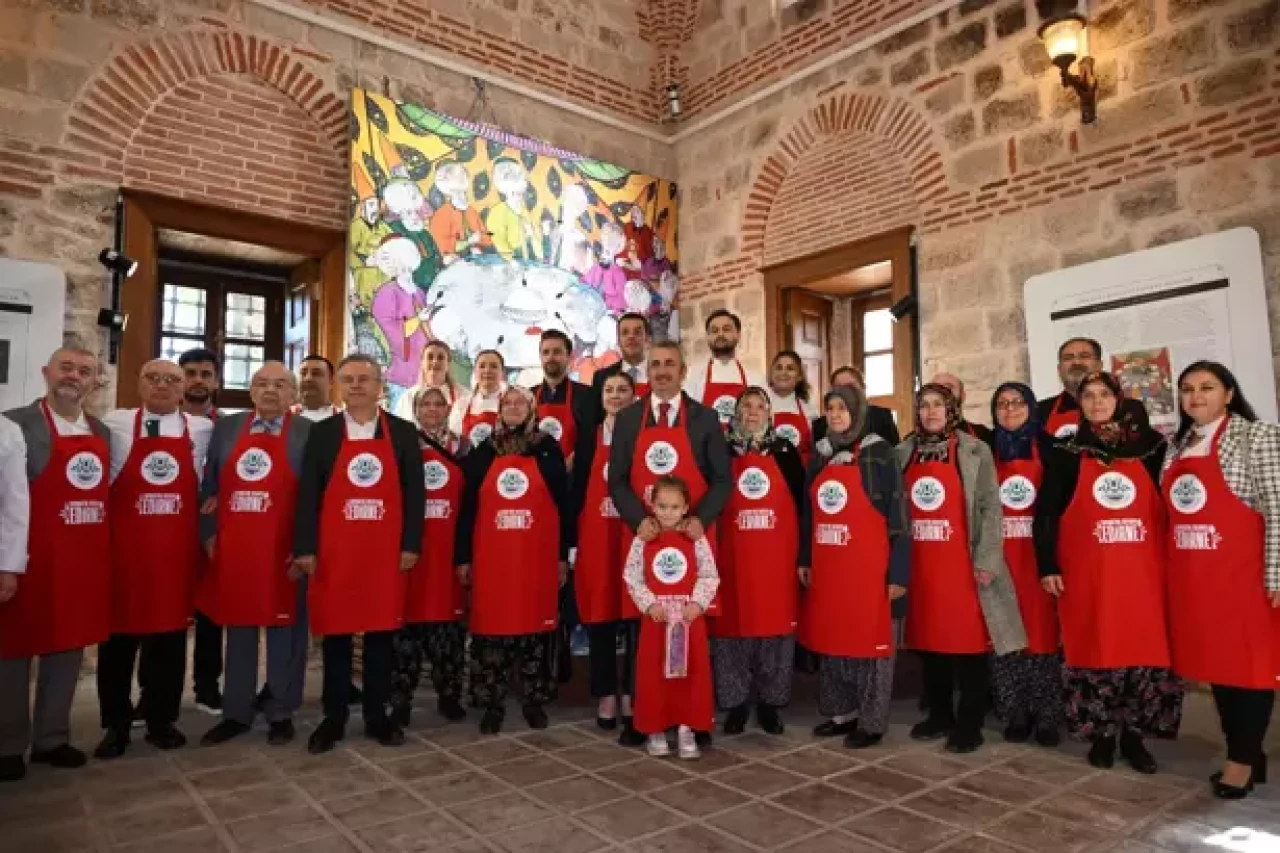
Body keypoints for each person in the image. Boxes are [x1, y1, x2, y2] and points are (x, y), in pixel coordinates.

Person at [1036, 370, 1180, 774]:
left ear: (1119, 399)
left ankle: (1134, 737)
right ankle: (1100, 735)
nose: (1097, 402)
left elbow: (1172, 509)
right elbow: (1046, 513)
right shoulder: (1067, 450)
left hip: (1144, 573)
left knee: (1142, 655)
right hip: (1089, 575)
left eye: (1105, 395)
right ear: (1079, 403)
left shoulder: (1152, 448)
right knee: (1094, 651)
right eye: (1089, 396)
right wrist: (1047, 564)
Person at [293, 354, 424, 753]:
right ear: (339, 386)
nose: (355, 386)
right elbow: (309, 495)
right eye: (348, 379)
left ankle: (376, 716)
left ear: (379, 385)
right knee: (336, 634)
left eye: (364, 379)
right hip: (336, 551)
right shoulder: (324, 433)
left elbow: (414, 494)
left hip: (385, 552)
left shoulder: (402, 432)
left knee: (381, 635)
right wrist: (306, 548)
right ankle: (333, 718)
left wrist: (410, 545)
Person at [1161, 361, 1280, 798]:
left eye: (1207, 388)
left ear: (1229, 393)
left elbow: (1278, 507)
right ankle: (1246, 752)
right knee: (1219, 670)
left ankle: (1242, 761)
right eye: (1188, 389)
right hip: (1195, 577)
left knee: (1249, 670)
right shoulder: (1177, 446)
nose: (1196, 397)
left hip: (1244, 577)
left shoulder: (1258, 437)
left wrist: (1277, 572)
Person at [610, 340, 731, 748]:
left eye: (670, 364)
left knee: (694, 635)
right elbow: (618, 480)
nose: (662, 371)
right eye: (655, 364)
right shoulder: (628, 419)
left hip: (691, 541)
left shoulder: (706, 419)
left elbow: (721, 480)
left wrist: (701, 519)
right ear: (648, 371)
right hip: (646, 538)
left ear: (682, 371)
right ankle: (643, 720)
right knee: (643, 633)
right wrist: (638, 520)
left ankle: (693, 719)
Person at [896, 383, 1026, 754]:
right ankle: (939, 715)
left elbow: (990, 507)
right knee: (929, 644)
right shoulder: (903, 452)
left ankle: (970, 723)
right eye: (924, 405)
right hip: (921, 566)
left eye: (939, 405)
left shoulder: (973, 450)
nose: (931, 412)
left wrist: (987, 560)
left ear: (952, 409)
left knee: (967, 648)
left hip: (962, 567)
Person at [95, 359, 213, 758]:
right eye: (153, 378)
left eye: (172, 380)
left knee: (170, 642)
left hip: (175, 556)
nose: (162, 386)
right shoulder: (112, 424)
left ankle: (162, 721)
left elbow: (217, 479)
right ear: (139, 384)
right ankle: (115, 725)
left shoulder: (203, 430)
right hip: (125, 555)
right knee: (117, 644)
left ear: (184, 390)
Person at [0, 348, 104, 781]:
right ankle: (7, 744)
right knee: (12, 653)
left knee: (67, 647)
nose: (74, 377)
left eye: (84, 371)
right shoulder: (13, 423)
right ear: (46, 373)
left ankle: (51, 739)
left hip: (80, 559)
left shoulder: (99, 429)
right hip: (26, 558)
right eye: (67, 368)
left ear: (93, 382)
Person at [196, 362, 311, 748]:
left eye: (280, 385)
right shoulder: (226, 429)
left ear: (293, 394)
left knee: (284, 635)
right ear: (250, 390)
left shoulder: (307, 434)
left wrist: (305, 551)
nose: (270, 391)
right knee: (239, 633)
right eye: (262, 383)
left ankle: (280, 712)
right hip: (237, 552)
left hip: (285, 554)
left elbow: (316, 498)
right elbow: (209, 489)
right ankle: (236, 713)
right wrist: (211, 538)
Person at [456, 386, 570, 734]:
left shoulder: (548, 449)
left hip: (536, 557)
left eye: (521, 402)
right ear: (499, 410)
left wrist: (563, 557)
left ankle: (534, 701)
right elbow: (467, 510)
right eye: (508, 403)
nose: (514, 407)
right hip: (491, 560)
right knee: (491, 633)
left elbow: (563, 509)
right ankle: (492, 703)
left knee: (535, 632)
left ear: (532, 409)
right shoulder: (483, 452)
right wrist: (463, 558)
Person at [712, 388, 804, 736]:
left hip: (777, 559)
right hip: (732, 557)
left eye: (759, 406)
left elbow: (802, 504)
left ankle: (770, 704)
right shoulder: (720, 450)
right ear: (735, 413)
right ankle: (735, 704)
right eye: (745, 406)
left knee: (776, 634)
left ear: (770, 412)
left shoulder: (785, 451)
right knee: (731, 632)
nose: (752, 412)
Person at [988, 382, 1062, 747]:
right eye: (1002, 404)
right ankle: (1014, 713)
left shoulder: (1050, 449)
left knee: (1042, 638)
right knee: (1004, 637)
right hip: (1000, 559)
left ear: (1031, 407)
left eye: (1017, 402)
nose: (1010, 409)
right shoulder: (987, 451)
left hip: (1037, 559)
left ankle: (1047, 716)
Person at [625, 475, 719, 760]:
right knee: (654, 676)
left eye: (675, 507)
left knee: (689, 676)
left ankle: (687, 728)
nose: (668, 513)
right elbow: (633, 576)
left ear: (686, 507)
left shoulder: (696, 538)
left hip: (689, 621)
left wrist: (698, 603)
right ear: (652, 505)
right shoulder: (643, 539)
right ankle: (655, 729)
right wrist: (649, 604)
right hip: (658, 620)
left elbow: (709, 574)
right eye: (662, 506)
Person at [391, 386, 470, 728]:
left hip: (449, 550)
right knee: (405, 632)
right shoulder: (401, 444)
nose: (434, 409)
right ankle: (400, 699)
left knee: (448, 632)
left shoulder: (464, 447)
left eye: (440, 404)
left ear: (449, 407)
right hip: (412, 549)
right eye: (427, 403)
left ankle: (448, 696)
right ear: (416, 408)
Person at [573, 371, 638, 730]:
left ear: (634, 397)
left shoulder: (645, 437)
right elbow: (576, 491)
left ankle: (630, 691)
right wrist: (571, 544)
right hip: (596, 539)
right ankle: (606, 694)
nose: (615, 395)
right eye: (609, 390)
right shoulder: (589, 439)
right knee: (599, 616)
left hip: (634, 536)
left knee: (632, 616)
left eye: (622, 390)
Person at [178, 347, 224, 714]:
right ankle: (156, 694)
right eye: (190, 373)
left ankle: (208, 687)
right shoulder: (154, 421)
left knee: (211, 612)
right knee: (167, 613)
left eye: (205, 374)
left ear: (216, 382)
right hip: (164, 526)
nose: (197, 381)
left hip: (209, 529)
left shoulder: (228, 427)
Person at [1038, 337, 1150, 440]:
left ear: (1099, 366)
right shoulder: (1038, 412)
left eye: (1084, 356)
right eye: (1068, 358)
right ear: (1059, 369)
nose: (1076, 362)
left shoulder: (1131, 409)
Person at [683, 310, 765, 429]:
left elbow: (761, 423)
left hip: (742, 446)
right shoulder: (693, 375)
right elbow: (687, 418)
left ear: (738, 334)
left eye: (726, 329)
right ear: (708, 337)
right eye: (714, 330)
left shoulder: (755, 379)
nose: (720, 334)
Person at [531, 329, 597, 470]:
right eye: (546, 352)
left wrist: (573, 461)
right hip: (537, 477)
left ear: (569, 356)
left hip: (575, 477)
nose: (551, 357)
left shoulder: (587, 395)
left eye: (557, 352)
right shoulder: (529, 396)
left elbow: (590, 440)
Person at [813, 366, 900, 447]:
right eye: (839, 387)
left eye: (851, 386)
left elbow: (895, 456)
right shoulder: (820, 425)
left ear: (863, 388)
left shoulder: (881, 417)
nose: (846, 392)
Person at [767, 350, 818, 466]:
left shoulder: (809, 408)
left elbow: (816, 449)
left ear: (799, 376)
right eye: (779, 368)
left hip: (802, 478)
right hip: (771, 475)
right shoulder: (761, 405)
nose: (783, 372)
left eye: (790, 368)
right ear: (771, 373)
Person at [392, 339, 463, 422]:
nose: (435, 361)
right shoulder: (408, 398)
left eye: (440, 357)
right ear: (422, 362)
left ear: (448, 364)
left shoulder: (463, 395)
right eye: (430, 357)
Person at [450, 349, 506, 446]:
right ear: (475, 372)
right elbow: (453, 441)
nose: (487, 370)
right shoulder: (462, 404)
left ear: (502, 372)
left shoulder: (510, 403)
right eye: (482, 366)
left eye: (493, 366)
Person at [592, 312, 651, 400]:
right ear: (618, 339)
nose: (631, 336)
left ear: (647, 338)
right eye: (625, 332)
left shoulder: (661, 375)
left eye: (637, 332)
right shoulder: (601, 377)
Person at [930, 373, 993, 445]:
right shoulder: (916, 441)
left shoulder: (983, 435)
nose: (942, 392)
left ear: (962, 396)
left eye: (948, 387)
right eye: (936, 389)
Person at [295, 354, 342, 421]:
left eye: (316, 373)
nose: (308, 378)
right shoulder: (282, 418)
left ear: (331, 382)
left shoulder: (345, 420)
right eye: (303, 373)